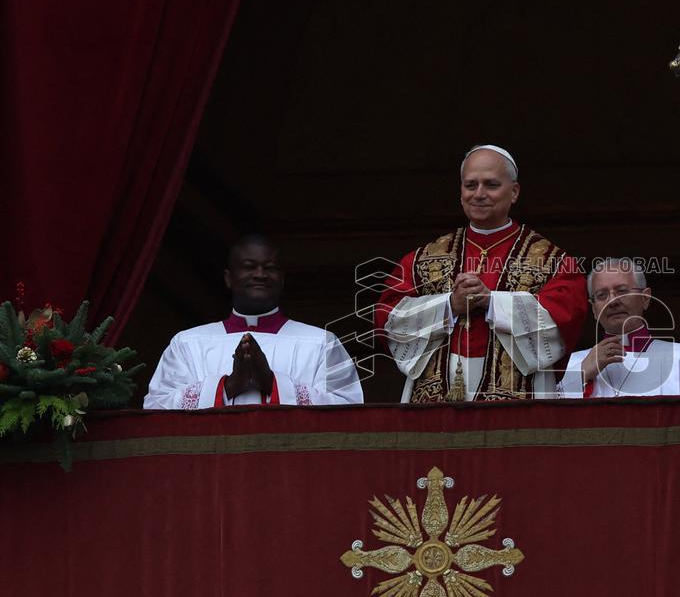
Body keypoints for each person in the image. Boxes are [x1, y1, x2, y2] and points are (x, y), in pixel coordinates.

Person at [375, 145, 588, 402]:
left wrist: (491, 302)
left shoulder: (552, 261)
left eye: (491, 185)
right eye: (470, 185)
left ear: (514, 192)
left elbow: (565, 317)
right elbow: (387, 318)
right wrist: (449, 305)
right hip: (436, 394)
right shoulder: (421, 259)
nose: (479, 194)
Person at [144, 235, 363, 408]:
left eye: (269, 268)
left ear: (282, 278)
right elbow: (156, 409)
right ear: (229, 278)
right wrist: (227, 386)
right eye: (249, 266)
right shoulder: (187, 344)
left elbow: (348, 409)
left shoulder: (322, 343)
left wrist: (271, 383)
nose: (260, 274)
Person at [557, 258, 680, 398]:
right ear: (593, 309)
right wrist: (580, 375)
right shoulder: (568, 366)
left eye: (622, 291)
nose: (613, 301)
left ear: (645, 298)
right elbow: (546, 422)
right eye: (601, 295)